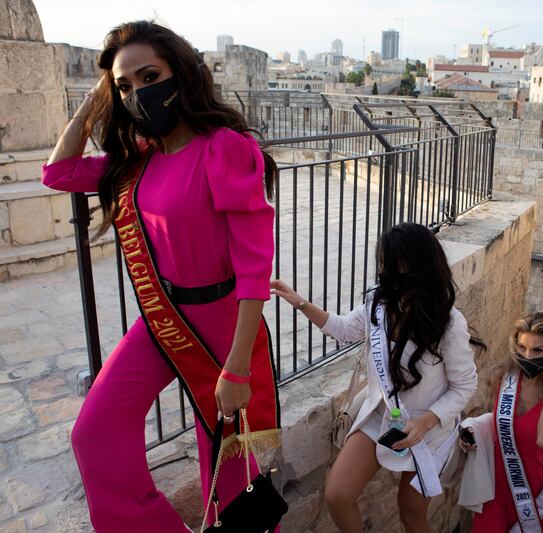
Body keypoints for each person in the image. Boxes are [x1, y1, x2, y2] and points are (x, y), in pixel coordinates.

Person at [41, 21, 280, 532]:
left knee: (229, 470)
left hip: (223, 328)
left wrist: (238, 369)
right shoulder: (139, 161)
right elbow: (57, 172)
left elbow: (256, 267)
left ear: (182, 74)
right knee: (95, 432)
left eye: (149, 76)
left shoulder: (225, 148)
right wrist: (96, 99)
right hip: (162, 319)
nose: (138, 94)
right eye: (125, 86)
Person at [270, 222, 480, 533]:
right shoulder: (378, 304)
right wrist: (298, 301)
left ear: (418, 266)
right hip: (382, 415)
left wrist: (425, 423)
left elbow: (465, 385)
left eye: (394, 264)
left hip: (429, 428)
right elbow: (342, 329)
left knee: (410, 513)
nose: (386, 272)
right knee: (338, 494)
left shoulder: (449, 323)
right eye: (384, 262)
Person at [458, 312, 543, 533]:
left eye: (538, 350)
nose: (528, 356)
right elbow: (498, 426)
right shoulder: (502, 379)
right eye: (522, 348)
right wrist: (474, 433)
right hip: (494, 491)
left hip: (534, 497)